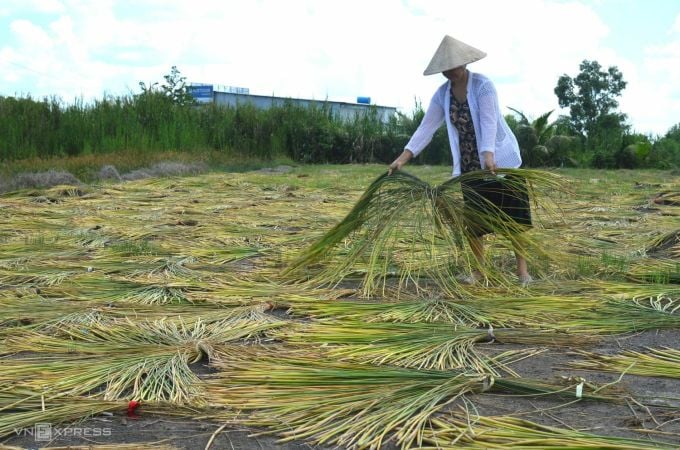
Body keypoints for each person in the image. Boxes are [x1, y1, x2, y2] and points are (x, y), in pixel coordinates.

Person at [388, 35, 532, 286]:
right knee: (475, 223)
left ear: (464, 64)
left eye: (452, 67)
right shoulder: (442, 95)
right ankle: (478, 272)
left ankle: (523, 272)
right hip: (469, 167)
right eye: (445, 69)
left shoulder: (483, 86)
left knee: (513, 219)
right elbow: (426, 127)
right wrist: (403, 158)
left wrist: (488, 154)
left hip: (501, 163)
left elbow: (489, 121)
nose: (448, 73)